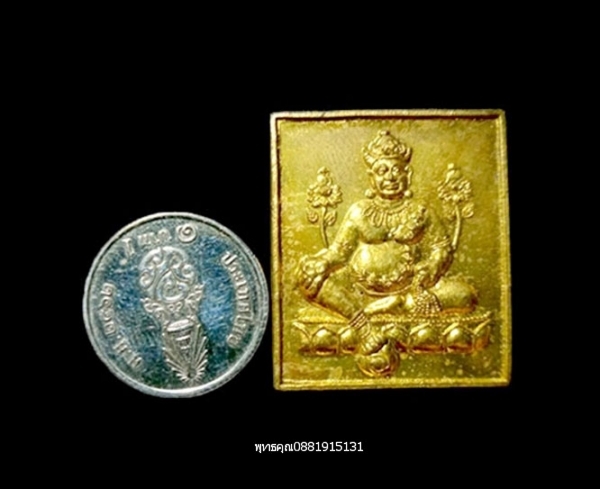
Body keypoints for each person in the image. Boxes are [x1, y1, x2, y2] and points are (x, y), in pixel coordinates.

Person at [296, 131, 476, 374]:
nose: (390, 177)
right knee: (306, 278)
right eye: (382, 171)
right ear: (372, 178)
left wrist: (432, 267)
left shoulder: (421, 211)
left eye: (396, 170)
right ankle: (363, 323)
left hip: (410, 292)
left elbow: (441, 248)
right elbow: (339, 252)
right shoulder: (359, 211)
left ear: (407, 175)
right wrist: (321, 264)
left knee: (466, 295)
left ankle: (394, 305)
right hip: (360, 293)